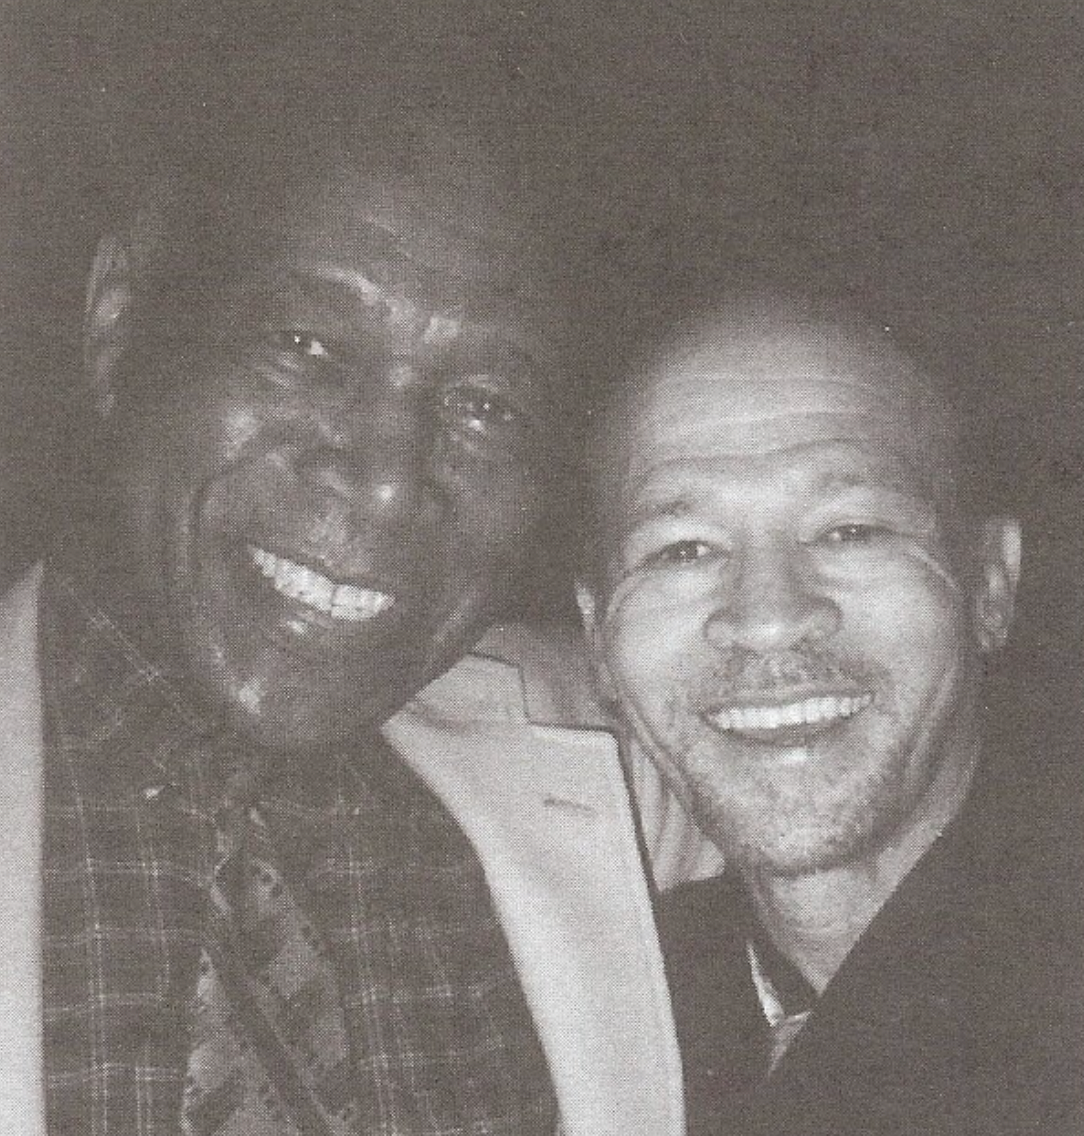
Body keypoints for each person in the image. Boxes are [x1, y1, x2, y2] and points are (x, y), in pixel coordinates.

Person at [0, 101, 718, 1136]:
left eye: (484, 404)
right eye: (305, 345)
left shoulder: (618, 745)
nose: (385, 483)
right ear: (119, 322)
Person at [576, 285, 1083, 1135]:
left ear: (990, 583)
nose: (769, 617)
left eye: (851, 531)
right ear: (597, 640)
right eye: (684, 549)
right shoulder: (586, 1019)